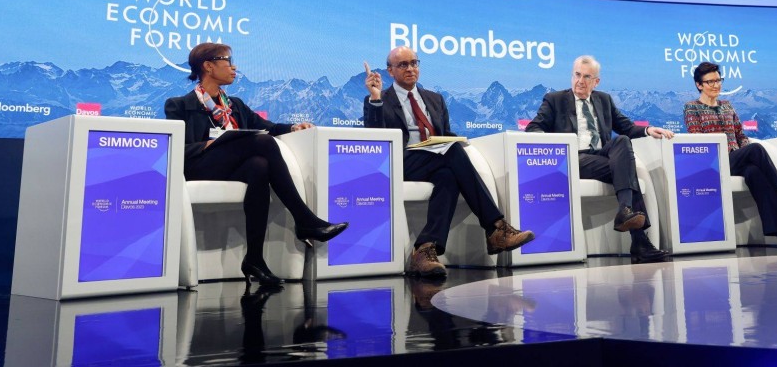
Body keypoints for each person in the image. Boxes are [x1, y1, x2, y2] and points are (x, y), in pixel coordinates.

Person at [165, 43, 348, 288]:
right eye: (228, 60)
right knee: (262, 143)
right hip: (198, 166)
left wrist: (293, 128)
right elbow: (177, 149)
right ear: (208, 66)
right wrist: (209, 145)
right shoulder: (178, 105)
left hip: (230, 168)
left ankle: (254, 259)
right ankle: (304, 220)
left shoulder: (235, 105)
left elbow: (269, 127)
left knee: (259, 165)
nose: (234, 66)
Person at [363, 47, 534, 277]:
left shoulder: (435, 99)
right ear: (390, 71)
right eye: (403, 65)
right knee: (451, 153)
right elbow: (375, 138)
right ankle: (496, 228)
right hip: (401, 161)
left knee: (449, 177)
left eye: (414, 63)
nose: (411, 68)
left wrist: (456, 141)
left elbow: (444, 133)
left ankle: (425, 249)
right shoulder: (380, 100)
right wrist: (375, 98)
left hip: (433, 160)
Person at [525, 55, 673, 263]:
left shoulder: (604, 100)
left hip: (600, 157)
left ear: (596, 81)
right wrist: (556, 144)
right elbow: (534, 128)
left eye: (587, 77)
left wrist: (649, 130)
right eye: (577, 75)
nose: (580, 81)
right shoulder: (555, 99)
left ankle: (625, 211)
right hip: (573, 158)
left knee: (621, 140)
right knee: (626, 170)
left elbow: (627, 128)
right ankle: (639, 242)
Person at [683, 62, 777, 254]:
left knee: (755, 173)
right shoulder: (692, 108)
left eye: (718, 80)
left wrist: (744, 152)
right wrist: (746, 152)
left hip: (736, 159)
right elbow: (698, 140)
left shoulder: (727, 106)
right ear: (699, 85)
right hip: (713, 163)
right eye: (710, 82)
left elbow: (741, 136)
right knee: (756, 149)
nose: (716, 85)